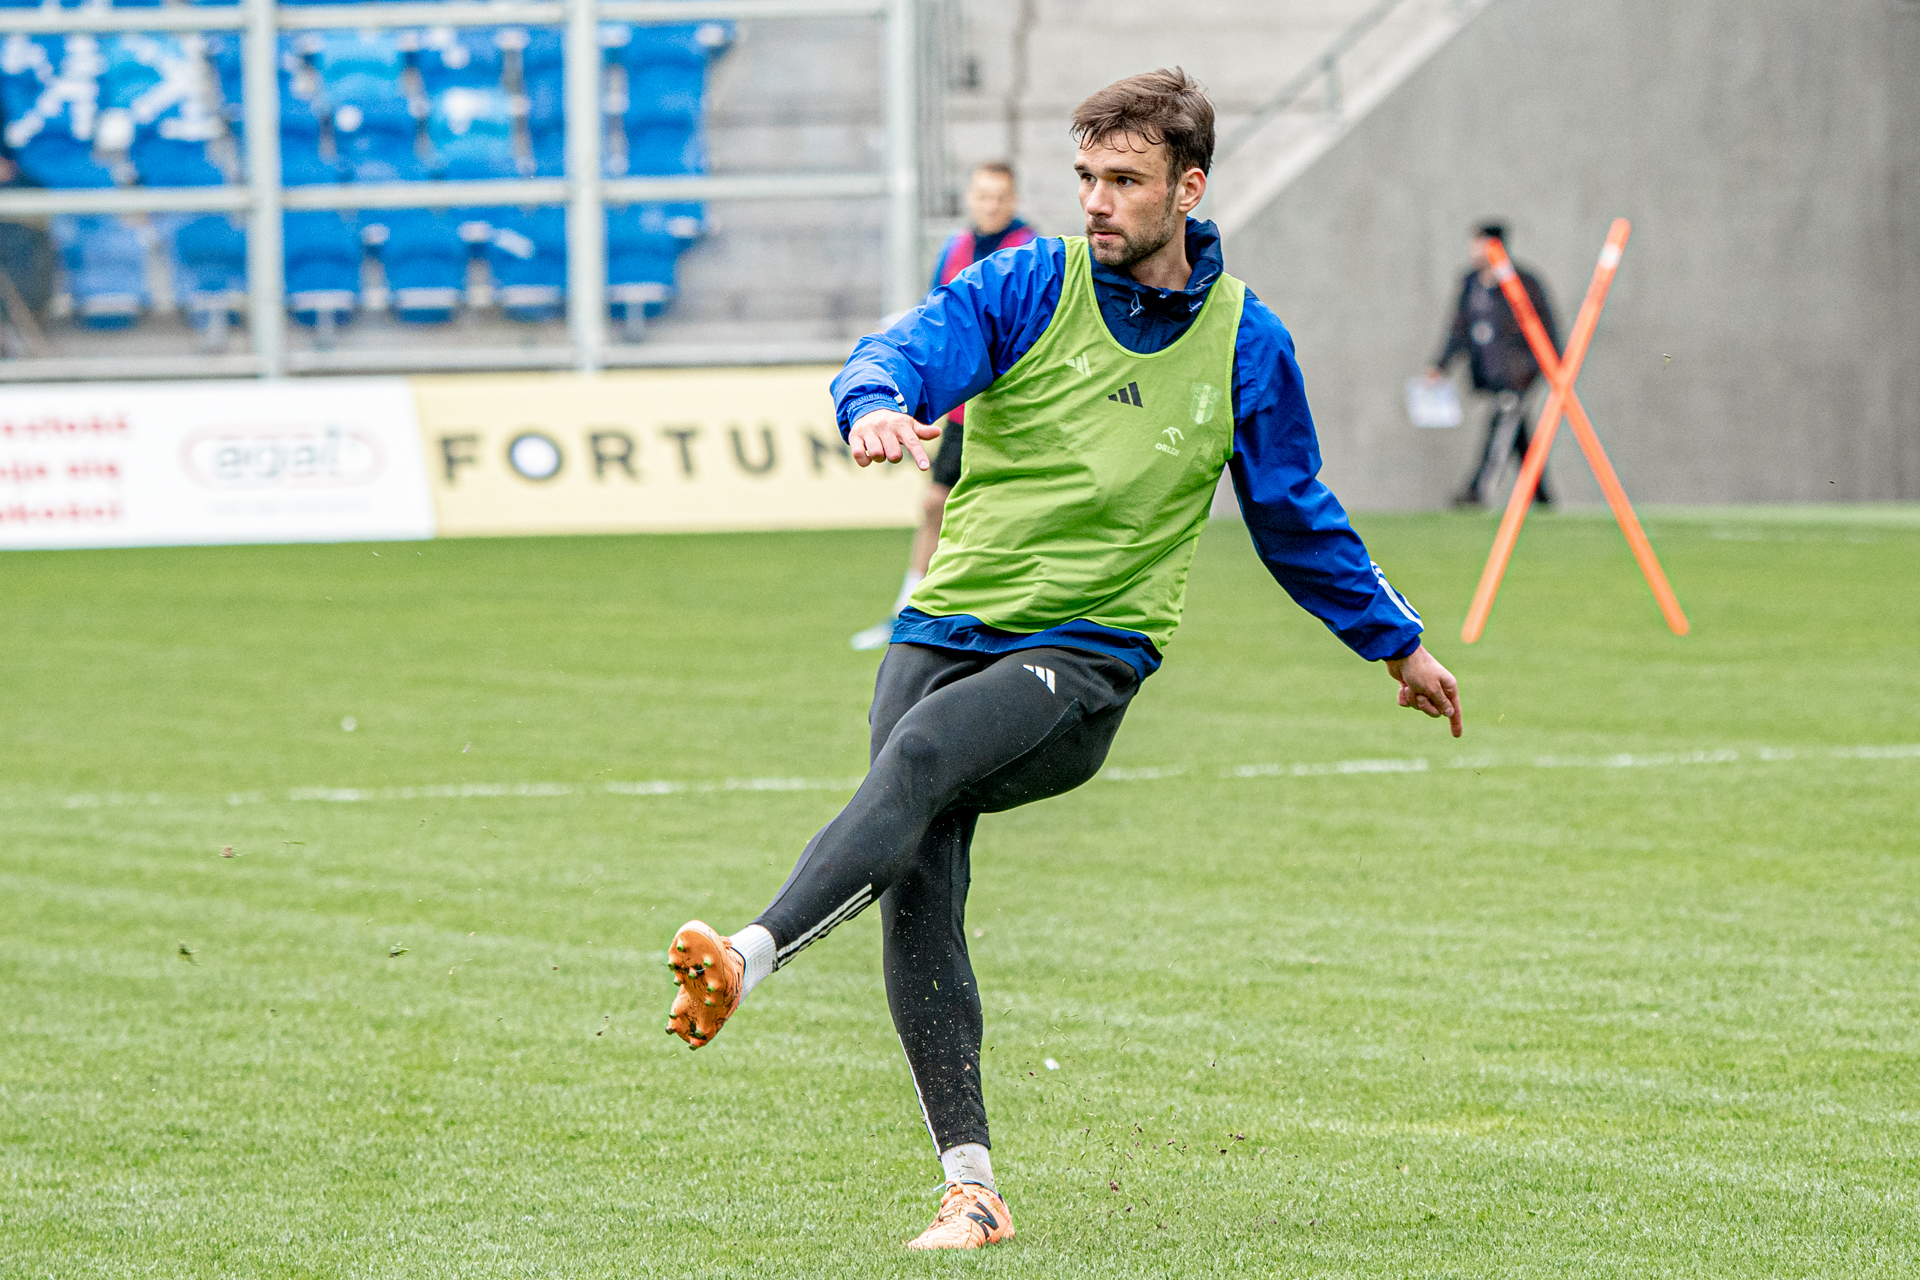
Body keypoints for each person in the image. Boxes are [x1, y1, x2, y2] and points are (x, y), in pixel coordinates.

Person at [663, 68, 1463, 1251]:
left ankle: (744, 954)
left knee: (922, 757)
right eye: (1085, 175)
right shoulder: (1030, 282)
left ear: (1189, 189)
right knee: (919, 872)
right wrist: (875, 401)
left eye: (1124, 179)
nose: (1096, 199)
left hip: (1085, 654)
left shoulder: (1248, 342)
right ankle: (971, 1188)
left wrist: (1395, 641)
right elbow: (904, 349)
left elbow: (1295, 515)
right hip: (945, 625)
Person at [849, 162, 1037, 649]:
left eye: (999, 197)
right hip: (964, 410)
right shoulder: (955, 248)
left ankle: (1010, 618)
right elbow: (936, 311)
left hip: (1014, 408)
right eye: (983, 195)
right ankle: (907, 612)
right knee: (936, 504)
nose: (990, 205)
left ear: (1013, 201)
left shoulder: (1031, 254)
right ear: (970, 198)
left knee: (1008, 513)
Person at [1427, 222, 1559, 507]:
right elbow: (1458, 328)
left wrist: (1550, 367)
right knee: (1516, 433)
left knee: (1502, 425)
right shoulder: (1471, 283)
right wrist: (1441, 364)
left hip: (1519, 373)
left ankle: (1478, 490)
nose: (1474, 251)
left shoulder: (1523, 283)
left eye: (1480, 245)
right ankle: (1541, 495)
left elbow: (1546, 327)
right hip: (1490, 373)